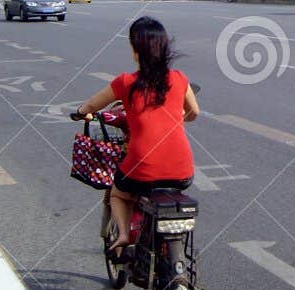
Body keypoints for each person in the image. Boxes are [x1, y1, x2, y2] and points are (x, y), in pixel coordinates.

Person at [70, 17, 199, 254]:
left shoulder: (126, 82)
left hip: (140, 168)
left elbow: (91, 106)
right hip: (182, 172)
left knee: (119, 193)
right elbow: (194, 112)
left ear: (135, 49)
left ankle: (124, 234)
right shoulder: (179, 78)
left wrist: (79, 112)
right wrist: (177, 117)